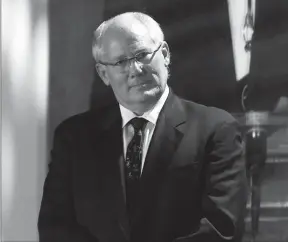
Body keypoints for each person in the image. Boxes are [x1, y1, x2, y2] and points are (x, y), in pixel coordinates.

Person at [38, 12, 247, 242]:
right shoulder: (74, 137)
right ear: (104, 73)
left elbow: (221, 228)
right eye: (120, 62)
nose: (135, 70)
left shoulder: (215, 129)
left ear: (165, 54)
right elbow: (55, 228)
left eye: (143, 55)